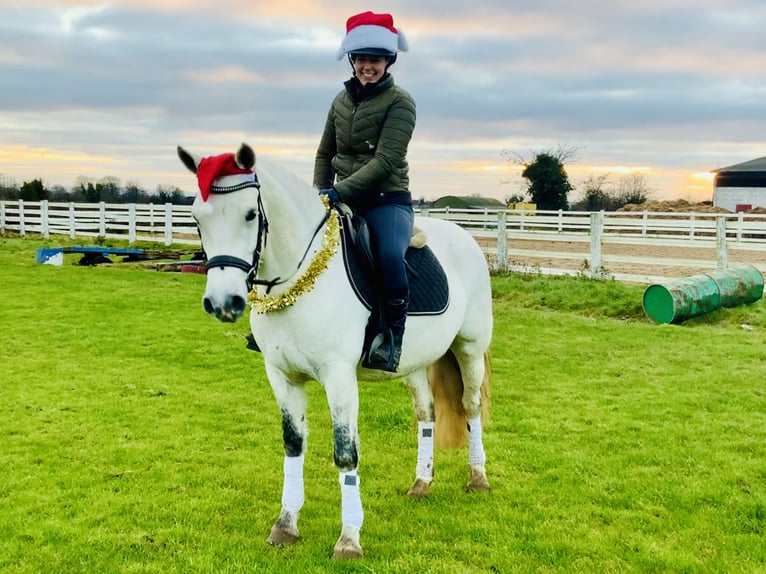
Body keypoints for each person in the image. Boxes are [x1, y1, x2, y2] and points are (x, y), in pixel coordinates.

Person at [314, 11, 416, 372]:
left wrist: (338, 191)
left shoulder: (401, 102)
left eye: (374, 59)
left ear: (388, 61)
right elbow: (325, 153)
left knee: (388, 256)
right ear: (352, 60)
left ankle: (391, 336)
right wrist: (320, 192)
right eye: (361, 59)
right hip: (341, 196)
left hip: (387, 200)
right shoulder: (339, 101)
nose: (366, 66)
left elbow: (385, 161)